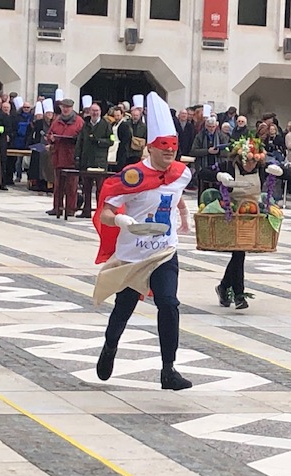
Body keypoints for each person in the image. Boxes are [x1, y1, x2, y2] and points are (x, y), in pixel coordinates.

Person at [92, 92, 193, 391]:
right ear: (150, 147)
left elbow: (175, 197)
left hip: (163, 251)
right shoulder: (133, 176)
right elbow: (107, 209)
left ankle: (168, 369)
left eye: (173, 148)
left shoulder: (182, 174)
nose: (169, 153)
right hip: (134, 253)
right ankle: (110, 347)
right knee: (124, 306)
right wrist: (119, 220)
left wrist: (184, 215)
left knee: (168, 303)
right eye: (163, 148)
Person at [199, 139, 283, 309]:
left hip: (252, 213)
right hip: (231, 212)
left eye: (253, 161)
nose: (250, 165)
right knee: (239, 253)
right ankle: (239, 295)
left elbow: (288, 173)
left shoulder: (261, 169)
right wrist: (218, 176)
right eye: (246, 161)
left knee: (239, 253)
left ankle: (224, 287)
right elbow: (202, 173)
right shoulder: (228, 166)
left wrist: (280, 171)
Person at [46, 98, 84, 216]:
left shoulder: (78, 121)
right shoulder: (57, 120)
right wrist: (50, 138)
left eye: (68, 107)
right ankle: (57, 207)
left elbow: (82, 138)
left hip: (71, 156)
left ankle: (70, 209)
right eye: (64, 107)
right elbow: (49, 134)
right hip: (58, 156)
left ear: (72, 108)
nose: (66, 109)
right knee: (58, 185)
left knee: (71, 185)